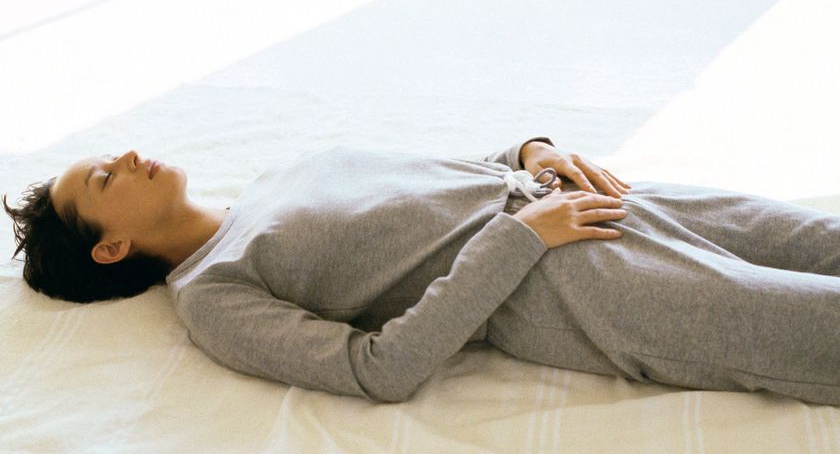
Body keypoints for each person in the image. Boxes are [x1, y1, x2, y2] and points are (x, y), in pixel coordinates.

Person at [4, 137, 840, 406]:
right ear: (108, 248)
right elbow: (381, 371)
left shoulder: (271, 179)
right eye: (102, 182)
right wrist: (523, 241)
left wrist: (527, 147)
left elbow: (439, 176)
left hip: (593, 198)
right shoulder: (214, 296)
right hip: (573, 283)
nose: (125, 156)